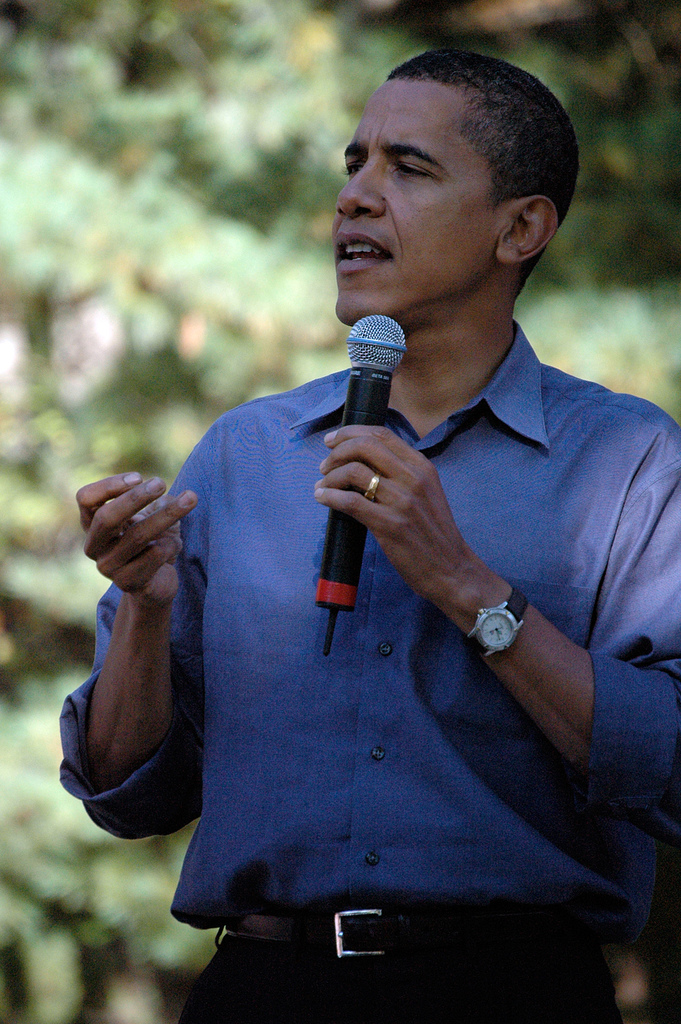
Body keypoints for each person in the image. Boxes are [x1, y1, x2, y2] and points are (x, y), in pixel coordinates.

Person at [60, 48, 681, 1023]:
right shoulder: (243, 454)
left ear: (520, 227)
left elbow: (670, 767)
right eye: (354, 163)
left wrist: (469, 588)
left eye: (408, 168)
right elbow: (125, 794)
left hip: (512, 993)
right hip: (262, 990)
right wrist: (144, 607)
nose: (353, 196)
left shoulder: (628, 458)